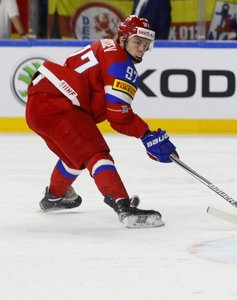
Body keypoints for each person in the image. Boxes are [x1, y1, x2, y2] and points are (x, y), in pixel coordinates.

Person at [25, 15, 178, 229]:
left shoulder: (102, 46)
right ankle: (123, 206)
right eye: (137, 43)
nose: (142, 49)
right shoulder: (121, 64)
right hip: (60, 105)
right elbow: (118, 116)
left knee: (74, 156)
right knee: (96, 154)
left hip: (39, 105)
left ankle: (54, 196)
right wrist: (146, 134)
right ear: (123, 38)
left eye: (146, 45)